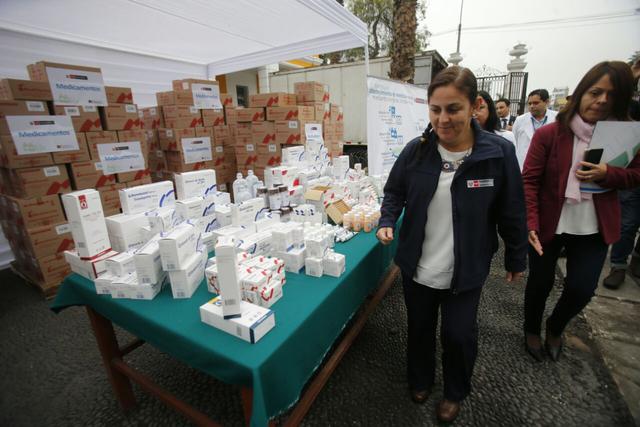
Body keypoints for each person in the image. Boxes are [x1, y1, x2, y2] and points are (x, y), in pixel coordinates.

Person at [376, 66, 527, 422]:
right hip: (418, 266)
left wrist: (516, 256)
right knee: (420, 328)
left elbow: (512, 209)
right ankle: (420, 379)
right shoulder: (417, 152)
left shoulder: (498, 153)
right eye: (436, 109)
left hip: (467, 268)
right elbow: (394, 191)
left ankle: (455, 391)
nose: (443, 119)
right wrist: (386, 221)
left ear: (474, 106)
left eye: (453, 109)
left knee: (459, 335)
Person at [522, 61, 640, 363]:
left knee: (582, 288)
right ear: (581, 93)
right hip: (548, 225)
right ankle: (532, 329)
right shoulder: (550, 134)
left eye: (611, 95)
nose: (601, 100)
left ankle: (555, 326)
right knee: (539, 284)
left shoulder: (625, 137)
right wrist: (530, 222)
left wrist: (607, 174)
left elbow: (635, 175)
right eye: (595, 91)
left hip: (593, 228)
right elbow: (530, 181)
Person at [602, 57, 640, 289]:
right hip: (627, 162)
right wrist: (633, 75)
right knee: (627, 223)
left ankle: (637, 258)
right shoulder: (630, 100)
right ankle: (619, 265)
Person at [512, 89, 558, 170]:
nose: (532, 106)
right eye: (529, 103)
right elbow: (515, 141)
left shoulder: (557, 118)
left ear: (546, 102)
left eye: (536, 103)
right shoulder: (520, 120)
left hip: (549, 165)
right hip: (524, 165)